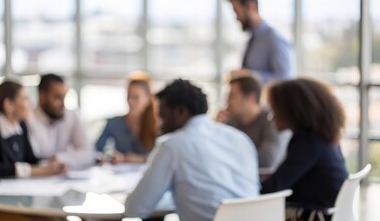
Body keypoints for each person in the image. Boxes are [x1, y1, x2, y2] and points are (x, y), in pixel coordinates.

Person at [125, 79, 259, 221]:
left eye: (162, 115)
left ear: (180, 112)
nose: (158, 124)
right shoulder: (241, 139)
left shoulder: (171, 145)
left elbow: (135, 209)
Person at [0, 80, 65, 220]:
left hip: (16, 203)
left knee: (55, 217)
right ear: (9, 105)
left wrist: (49, 164)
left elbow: (31, 158)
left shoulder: (21, 126)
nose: (31, 104)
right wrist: (39, 170)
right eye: (25, 99)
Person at [261, 78, 348, 221]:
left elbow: (273, 187)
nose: (271, 117)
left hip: (310, 215)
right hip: (327, 212)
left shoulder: (308, 143)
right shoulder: (324, 138)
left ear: (292, 110)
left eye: (274, 109)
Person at [217, 74, 287, 168]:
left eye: (232, 97)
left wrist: (228, 156)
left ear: (251, 98)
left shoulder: (272, 120)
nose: (227, 102)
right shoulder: (229, 121)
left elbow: (266, 160)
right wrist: (216, 129)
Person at [26, 74, 93, 170]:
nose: (63, 104)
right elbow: (32, 160)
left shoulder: (71, 116)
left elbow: (88, 153)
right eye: (57, 97)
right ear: (42, 96)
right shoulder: (28, 119)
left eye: (64, 97)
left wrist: (61, 158)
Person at [229, 0, 292, 83]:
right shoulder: (252, 39)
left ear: (250, 6)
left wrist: (250, 75)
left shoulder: (273, 38)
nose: (236, 18)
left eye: (236, 11)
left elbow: (285, 78)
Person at [96, 71, 157, 164]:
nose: (131, 102)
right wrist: (109, 156)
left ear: (148, 99)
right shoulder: (114, 123)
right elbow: (95, 150)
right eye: (129, 96)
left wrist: (141, 159)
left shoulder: (157, 125)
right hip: (120, 176)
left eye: (136, 97)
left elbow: (164, 156)